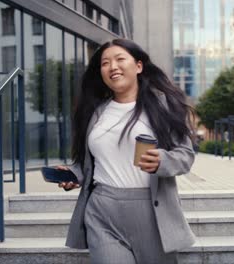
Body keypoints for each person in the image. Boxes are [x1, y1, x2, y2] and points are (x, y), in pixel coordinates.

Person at [57, 38, 196, 264]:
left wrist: (162, 160)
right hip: (102, 210)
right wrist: (74, 174)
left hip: (152, 212)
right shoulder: (95, 112)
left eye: (120, 59)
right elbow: (92, 162)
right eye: (105, 63)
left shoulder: (162, 106)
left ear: (138, 66)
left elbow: (185, 155)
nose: (113, 66)